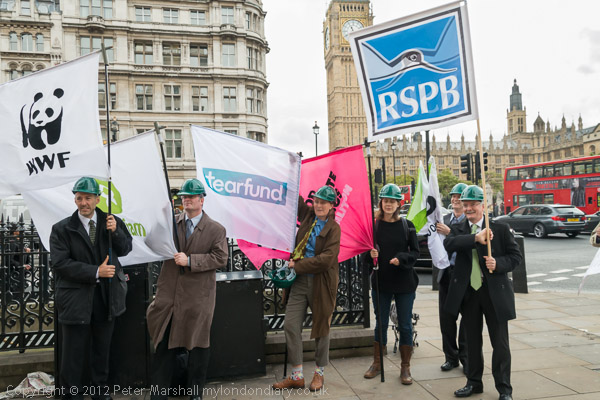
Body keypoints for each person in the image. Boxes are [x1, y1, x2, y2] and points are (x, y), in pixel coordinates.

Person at [50, 177, 133, 400]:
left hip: (107, 298)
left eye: (88, 198)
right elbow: (60, 264)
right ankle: (71, 395)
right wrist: (96, 271)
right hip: (76, 299)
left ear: (97, 199)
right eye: (79, 198)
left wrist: (116, 232)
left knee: (101, 350)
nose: (83, 203)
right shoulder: (62, 229)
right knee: (73, 353)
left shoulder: (111, 222)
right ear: (75, 199)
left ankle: (100, 391)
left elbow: (126, 249)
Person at [147, 179, 228, 400]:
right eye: (184, 197)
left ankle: (195, 393)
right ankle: (158, 394)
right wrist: (160, 220)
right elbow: (152, 242)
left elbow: (221, 258)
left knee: (198, 346)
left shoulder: (216, 229)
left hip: (198, 297)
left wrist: (191, 260)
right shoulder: (171, 224)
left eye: (191, 197)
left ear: (202, 200)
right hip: (170, 295)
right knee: (164, 345)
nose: (186, 200)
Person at [444, 185, 522, 400]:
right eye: (465, 205)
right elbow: (449, 243)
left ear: (483, 205)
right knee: (472, 342)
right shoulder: (458, 228)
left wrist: (498, 263)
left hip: (494, 294)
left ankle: (504, 389)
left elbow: (515, 257)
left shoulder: (500, 228)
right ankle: (473, 382)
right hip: (469, 294)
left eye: (473, 205)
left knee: (500, 343)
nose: (469, 209)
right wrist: (475, 239)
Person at [272, 185, 341, 392]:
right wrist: (290, 174)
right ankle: (297, 376)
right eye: (317, 201)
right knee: (290, 325)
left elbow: (326, 260)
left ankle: (319, 373)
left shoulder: (334, 228)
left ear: (331, 206)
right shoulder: (308, 215)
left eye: (323, 203)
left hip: (322, 283)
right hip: (300, 281)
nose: (319, 205)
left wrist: (298, 265)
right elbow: (297, 200)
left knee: (321, 329)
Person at [362, 184, 419, 385]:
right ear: (381, 203)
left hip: (404, 282)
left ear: (398, 204)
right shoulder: (373, 227)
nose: (389, 204)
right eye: (386, 201)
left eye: (392, 201)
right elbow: (363, 256)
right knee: (381, 323)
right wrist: (370, 255)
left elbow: (415, 253)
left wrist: (401, 259)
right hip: (381, 281)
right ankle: (377, 363)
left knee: (405, 324)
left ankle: (405, 366)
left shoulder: (407, 225)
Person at [435, 183, 468, 374]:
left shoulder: (470, 221)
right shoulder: (444, 219)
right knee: (446, 319)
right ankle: (450, 357)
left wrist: (450, 233)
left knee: (467, 321)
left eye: (459, 197)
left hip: (463, 275)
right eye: (454, 196)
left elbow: (469, 241)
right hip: (446, 275)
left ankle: (466, 358)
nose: (455, 199)